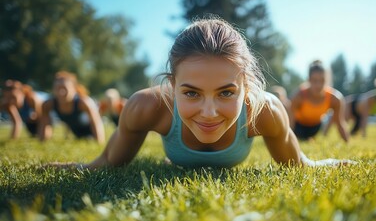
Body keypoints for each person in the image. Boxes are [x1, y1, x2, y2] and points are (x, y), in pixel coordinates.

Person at [46, 18, 353, 170]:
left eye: (226, 92)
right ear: (172, 84)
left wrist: (331, 163)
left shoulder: (265, 111)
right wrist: (71, 167)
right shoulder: (146, 106)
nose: (209, 112)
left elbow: (301, 164)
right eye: (191, 93)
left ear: (246, 86)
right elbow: (106, 163)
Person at [289, 60, 349, 142]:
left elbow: (340, 123)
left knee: (309, 136)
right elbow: (289, 124)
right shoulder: (299, 96)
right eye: (314, 80)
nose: (318, 85)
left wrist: (347, 143)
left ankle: (309, 138)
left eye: (322, 80)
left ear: (327, 80)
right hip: (298, 127)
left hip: (315, 128)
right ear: (308, 80)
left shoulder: (335, 99)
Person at [39, 71, 105, 144]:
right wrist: (42, 142)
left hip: (91, 132)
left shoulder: (83, 103)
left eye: (64, 88)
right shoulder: (48, 104)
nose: (61, 92)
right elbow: (45, 127)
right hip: (78, 134)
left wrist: (99, 142)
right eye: (58, 88)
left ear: (74, 89)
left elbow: (96, 122)